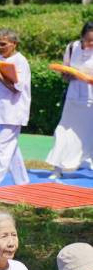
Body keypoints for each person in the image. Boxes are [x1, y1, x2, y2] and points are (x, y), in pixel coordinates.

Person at [0, 27, 31, 188]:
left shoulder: (20, 61)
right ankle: (22, 182)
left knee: (2, 145)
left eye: (4, 44)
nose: (0, 47)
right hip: (1, 108)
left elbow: (15, 88)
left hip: (15, 109)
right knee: (11, 148)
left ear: (14, 44)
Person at [47, 21, 93, 179]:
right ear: (82, 37)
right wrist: (68, 75)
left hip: (91, 100)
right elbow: (64, 72)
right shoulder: (72, 48)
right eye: (88, 40)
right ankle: (57, 168)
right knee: (63, 131)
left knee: (88, 134)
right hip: (73, 97)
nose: (91, 43)